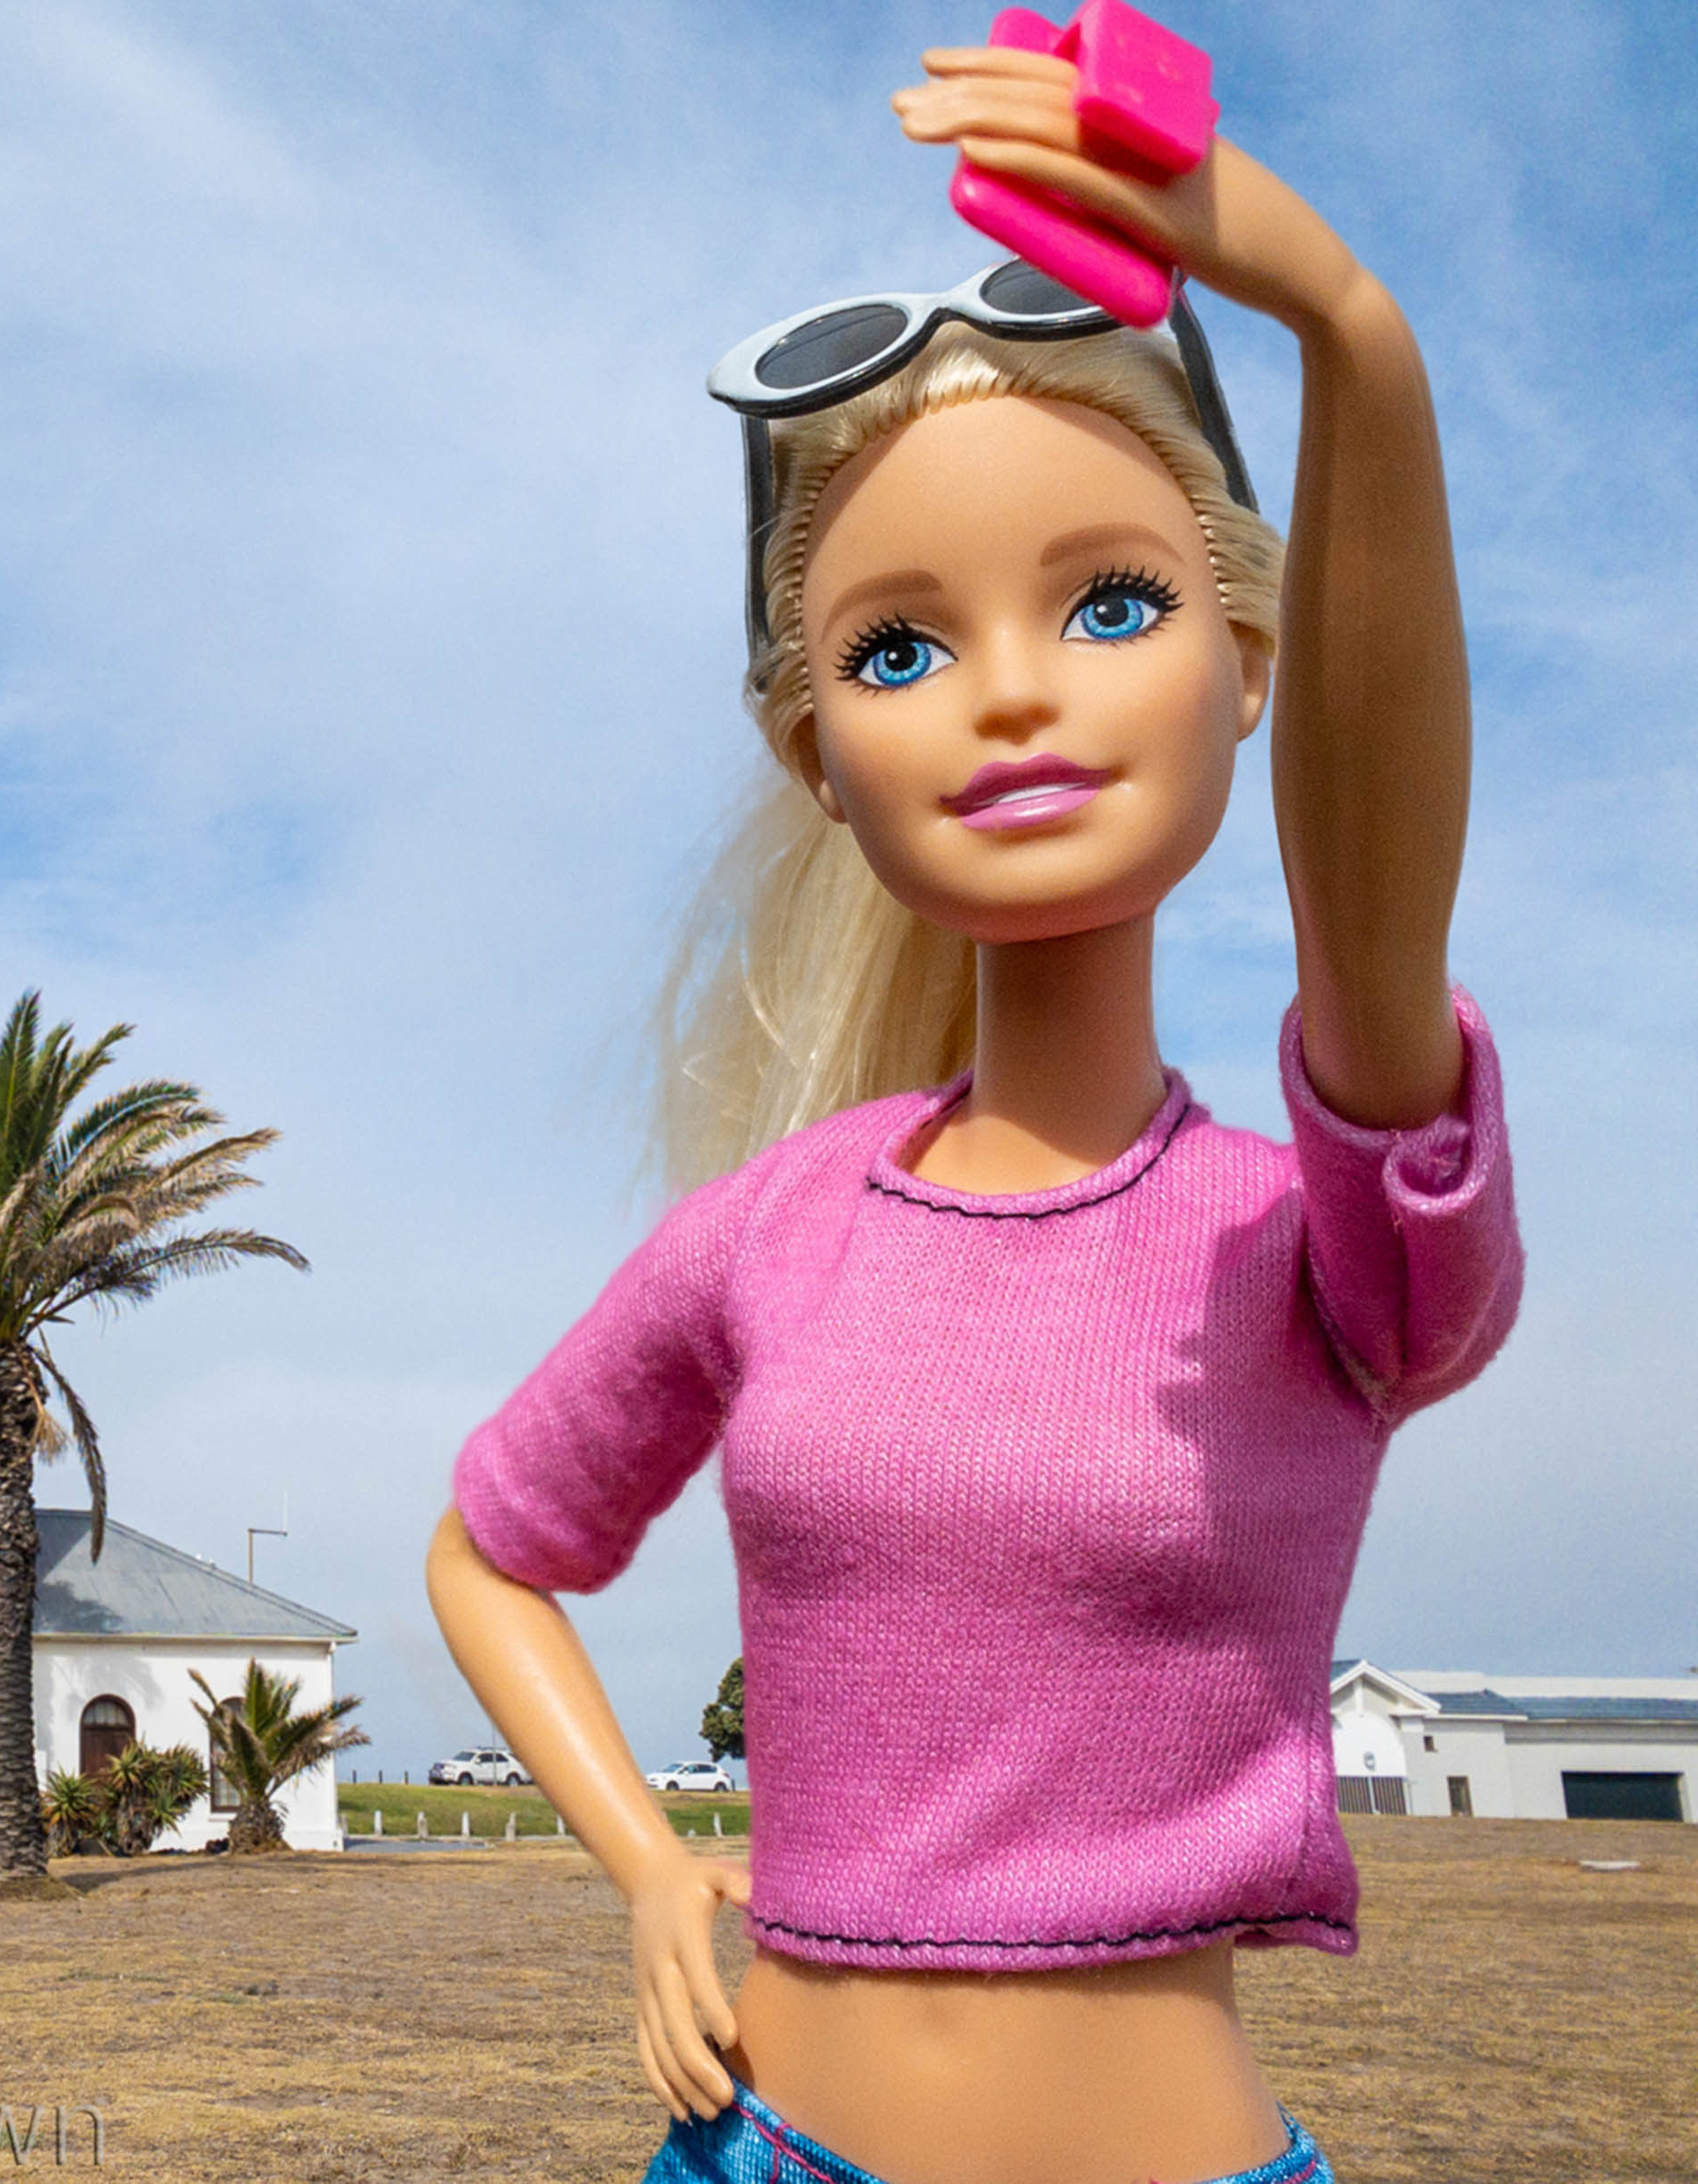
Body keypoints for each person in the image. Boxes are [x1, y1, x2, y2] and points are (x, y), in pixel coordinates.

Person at [427, 36, 1523, 2184]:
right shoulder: (774, 1231)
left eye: (1112, 605)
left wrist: (1350, 336)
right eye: (897, 651)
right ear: (814, 757)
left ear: (1249, 660)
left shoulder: (1317, 1246)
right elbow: (490, 1554)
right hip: (758, 2145)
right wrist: (650, 1867)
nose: (1012, 690)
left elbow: (1378, 934)